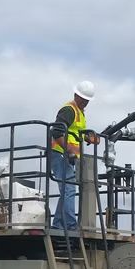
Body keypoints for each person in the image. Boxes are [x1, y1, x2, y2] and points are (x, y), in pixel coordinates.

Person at [49, 81, 98, 232]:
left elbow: (77, 133)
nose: (85, 102)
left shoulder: (80, 113)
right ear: (76, 95)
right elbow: (56, 132)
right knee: (69, 189)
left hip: (69, 157)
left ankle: (58, 224)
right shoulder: (69, 110)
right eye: (83, 99)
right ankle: (70, 226)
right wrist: (68, 150)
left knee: (67, 189)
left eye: (87, 100)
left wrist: (89, 138)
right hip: (60, 154)